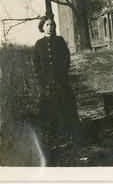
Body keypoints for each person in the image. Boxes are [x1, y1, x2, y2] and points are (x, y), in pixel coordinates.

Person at [33, 16, 80, 162]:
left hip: (61, 82)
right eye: (47, 25)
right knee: (49, 109)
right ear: (42, 27)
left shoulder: (59, 41)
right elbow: (37, 64)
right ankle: (53, 139)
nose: (50, 27)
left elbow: (66, 58)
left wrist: (62, 74)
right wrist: (43, 80)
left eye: (52, 25)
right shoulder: (38, 44)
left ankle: (71, 137)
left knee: (67, 108)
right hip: (47, 84)